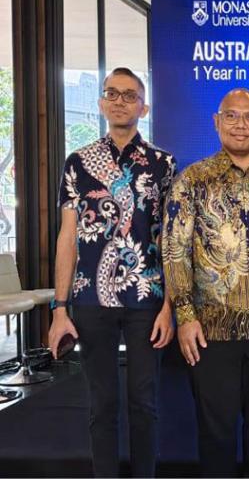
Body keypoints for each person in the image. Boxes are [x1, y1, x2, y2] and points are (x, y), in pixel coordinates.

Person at [162, 88, 249, 477]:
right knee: (216, 432)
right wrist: (185, 316)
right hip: (210, 329)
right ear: (217, 121)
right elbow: (174, 250)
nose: (241, 125)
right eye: (232, 116)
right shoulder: (192, 181)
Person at [48, 67, 177, 477]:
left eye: (130, 94)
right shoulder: (78, 163)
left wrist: (169, 306)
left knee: (144, 404)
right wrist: (59, 308)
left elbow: (170, 241)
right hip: (90, 301)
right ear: (102, 103)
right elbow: (67, 238)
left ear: (144, 105)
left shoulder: (163, 164)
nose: (120, 101)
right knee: (101, 404)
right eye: (112, 93)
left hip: (147, 300)